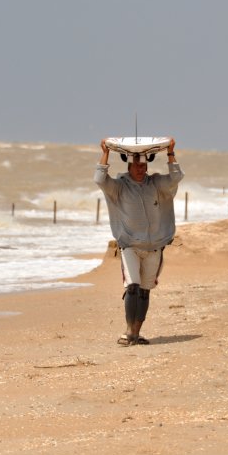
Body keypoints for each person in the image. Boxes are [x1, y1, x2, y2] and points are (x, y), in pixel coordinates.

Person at [94, 138, 184, 346]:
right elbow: (99, 179)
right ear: (129, 165)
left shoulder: (155, 184)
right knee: (132, 287)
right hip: (130, 246)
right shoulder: (118, 187)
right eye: (136, 165)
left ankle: (137, 332)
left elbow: (176, 177)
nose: (140, 169)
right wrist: (105, 152)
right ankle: (128, 332)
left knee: (144, 290)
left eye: (143, 165)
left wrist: (170, 152)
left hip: (154, 247)